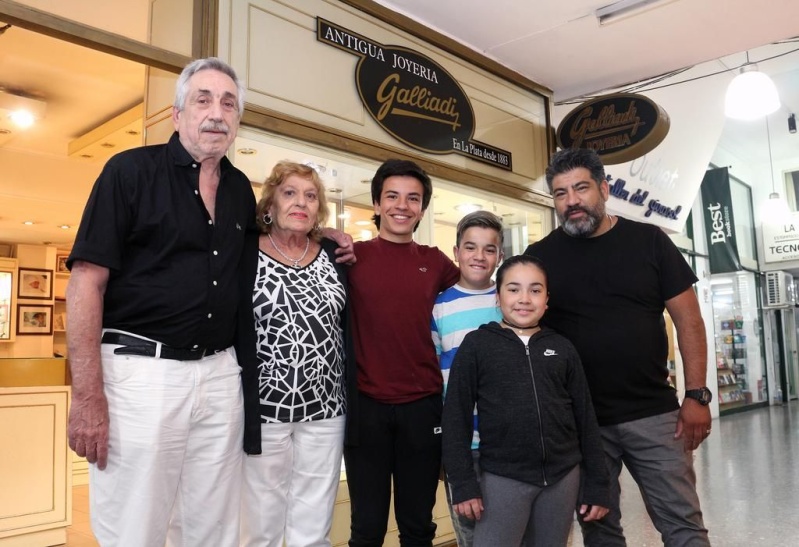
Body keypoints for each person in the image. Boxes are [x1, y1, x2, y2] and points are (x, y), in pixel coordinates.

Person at [66, 57, 252, 546]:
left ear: (237, 120)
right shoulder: (129, 172)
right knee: (136, 527)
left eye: (228, 103)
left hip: (220, 376)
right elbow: (86, 282)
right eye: (203, 100)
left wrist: (322, 236)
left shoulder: (239, 189)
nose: (217, 113)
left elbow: (266, 248)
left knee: (213, 528)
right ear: (177, 113)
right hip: (141, 374)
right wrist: (86, 396)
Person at [524, 147, 711, 546]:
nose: (572, 201)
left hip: (654, 414)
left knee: (683, 524)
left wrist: (696, 394)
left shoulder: (649, 242)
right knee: (599, 529)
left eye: (581, 188)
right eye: (560, 193)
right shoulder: (539, 258)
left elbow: (689, 321)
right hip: (580, 422)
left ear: (604, 189)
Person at [442, 254, 610, 547]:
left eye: (535, 290)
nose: (524, 299)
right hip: (502, 477)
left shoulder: (562, 347)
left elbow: (585, 418)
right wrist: (463, 483)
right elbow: (455, 417)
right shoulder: (477, 345)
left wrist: (598, 483)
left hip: (562, 478)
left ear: (547, 299)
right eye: (513, 289)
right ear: (498, 297)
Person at [236, 161, 355, 547]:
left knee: (314, 523)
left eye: (310, 196)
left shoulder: (334, 254)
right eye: (289, 193)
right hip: (264, 410)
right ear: (270, 204)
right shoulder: (245, 252)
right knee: (261, 523)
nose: (300, 202)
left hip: (327, 409)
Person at [345, 158, 460, 547]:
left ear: (422, 210)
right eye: (392, 196)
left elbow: (474, 294)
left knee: (418, 526)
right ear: (376, 204)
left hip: (423, 408)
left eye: (413, 198)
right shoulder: (350, 256)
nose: (402, 205)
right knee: (366, 528)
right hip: (365, 408)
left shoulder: (436, 262)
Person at [431, 210, 504, 547]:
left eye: (489, 249)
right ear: (456, 252)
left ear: (500, 256)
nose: (479, 256)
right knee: (472, 538)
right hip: (464, 447)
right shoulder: (438, 308)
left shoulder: (510, 302)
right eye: (470, 247)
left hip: (509, 445)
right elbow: (434, 377)